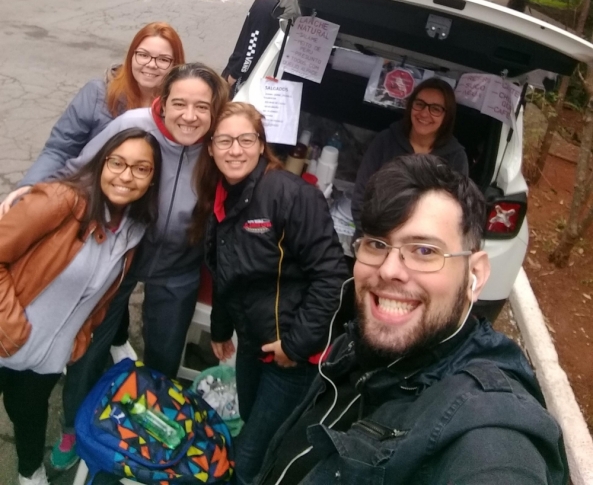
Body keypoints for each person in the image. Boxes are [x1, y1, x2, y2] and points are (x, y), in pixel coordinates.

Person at [258, 156, 568, 485]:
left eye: (423, 251)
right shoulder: (356, 345)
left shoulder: (488, 425)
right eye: (377, 244)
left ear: (474, 274)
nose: (390, 269)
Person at [48, 62, 228, 470]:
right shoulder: (134, 124)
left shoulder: (220, 143)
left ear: (215, 111)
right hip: (119, 256)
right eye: (179, 103)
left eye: (202, 106)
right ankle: (74, 425)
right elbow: (79, 172)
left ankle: (148, 422)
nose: (190, 115)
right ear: (162, 104)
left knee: (164, 354)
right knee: (89, 348)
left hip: (181, 265)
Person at [0, 22, 185, 368]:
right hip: (90, 211)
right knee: (65, 275)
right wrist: (30, 188)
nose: (150, 64)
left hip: (136, 216)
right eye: (143, 54)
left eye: (164, 59)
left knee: (113, 285)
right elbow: (59, 148)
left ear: (176, 65)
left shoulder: (177, 107)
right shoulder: (99, 93)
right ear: (131, 55)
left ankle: (106, 337)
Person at [195, 103, 349, 485]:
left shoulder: (290, 195)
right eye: (224, 140)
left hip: (292, 356)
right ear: (210, 147)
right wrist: (219, 328)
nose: (235, 150)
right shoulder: (221, 195)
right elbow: (226, 271)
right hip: (253, 341)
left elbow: (332, 277)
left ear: (261, 144)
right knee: (251, 420)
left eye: (246, 140)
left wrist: (295, 346)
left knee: (249, 455)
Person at [0, 128, 162, 485]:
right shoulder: (61, 201)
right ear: (100, 164)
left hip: (46, 357)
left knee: (28, 413)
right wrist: (9, 327)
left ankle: (29, 472)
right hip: (5, 338)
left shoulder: (133, 230)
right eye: (117, 162)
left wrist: (81, 337)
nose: (125, 175)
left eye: (140, 168)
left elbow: (102, 294)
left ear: (153, 180)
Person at [351, 77, 468, 230]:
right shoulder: (385, 141)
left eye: (435, 109)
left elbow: (457, 214)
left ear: (447, 116)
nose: (425, 113)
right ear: (410, 106)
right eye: (420, 104)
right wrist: (373, 238)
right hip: (376, 236)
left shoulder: (456, 157)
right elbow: (361, 195)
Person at [222, 0, 278, 94]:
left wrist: (234, 76)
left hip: (241, 76)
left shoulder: (263, 7)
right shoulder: (269, 0)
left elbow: (251, 49)